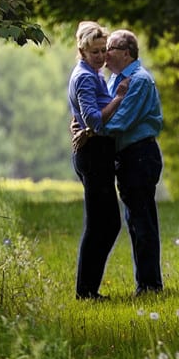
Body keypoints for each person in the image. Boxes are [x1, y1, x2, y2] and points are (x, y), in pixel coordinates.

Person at [67, 21, 129, 301]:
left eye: (104, 50)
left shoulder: (90, 74)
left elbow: (81, 114)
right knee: (100, 224)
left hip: (96, 153)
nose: (101, 56)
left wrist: (79, 125)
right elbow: (92, 117)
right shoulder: (85, 77)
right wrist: (118, 98)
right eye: (94, 51)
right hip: (93, 155)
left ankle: (89, 289)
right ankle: (86, 291)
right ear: (81, 50)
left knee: (107, 223)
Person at [102, 28, 165, 296]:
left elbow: (119, 122)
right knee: (136, 220)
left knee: (142, 221)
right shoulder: (115, 80)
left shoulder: (138, 81)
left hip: (140, 155)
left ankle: (150, 285)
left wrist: (89, 129)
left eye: (110, 49)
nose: (105, 54)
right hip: (129, 156)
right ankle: (146, 282)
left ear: (126, 53)